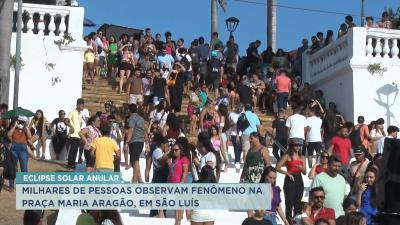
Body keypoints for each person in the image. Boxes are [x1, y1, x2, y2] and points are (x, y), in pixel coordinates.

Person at [276, 138, 307, 222]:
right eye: (295, 145)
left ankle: (297, 222)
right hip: (290, 178)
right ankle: (288, 222)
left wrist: (301, 168)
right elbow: (277, 167)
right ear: (291, 146)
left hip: (299, 178)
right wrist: (287, 173)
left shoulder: (302, 157)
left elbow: (305, 172)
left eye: (299, 145)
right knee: (289, 203)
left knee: (298, 203)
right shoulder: (287, 156)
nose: (297, 147)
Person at [7, 116, 32, 192]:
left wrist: (26, 127)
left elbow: (30, 137)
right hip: (14, 148)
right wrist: (14, 126)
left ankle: (25, 186)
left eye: (22, 122)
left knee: (24, 168)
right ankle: (11, 187)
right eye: (19, 121)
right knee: (13, 168)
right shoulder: (13, 127)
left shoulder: (25, 128)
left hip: (23, 149)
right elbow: (8, 135)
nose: (20, 123)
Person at [124, 104, 148, 183]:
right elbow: (145, 131)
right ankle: (139, 178)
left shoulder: (132, 118)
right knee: (135, 159)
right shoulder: (141, 118)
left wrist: (127, 142)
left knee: (135, 161)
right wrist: (147, 142)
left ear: (129, 110)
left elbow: (131, 130)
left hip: (134, 141)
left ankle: (134, 180)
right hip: (141, 141)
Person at [167, 142, 190, 225]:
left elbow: (185, 172)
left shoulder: (184, 159)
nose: (174, 152)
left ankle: (178, 222)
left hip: (180, 186)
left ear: (180, 150)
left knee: (179, 207)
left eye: (176, 150)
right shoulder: (173, 159)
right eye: (173, 150)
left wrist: (182, 183)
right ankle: (177, 222)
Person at [229, 102, 243, 168]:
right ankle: (237, 160)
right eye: (238, 108)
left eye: (241, 108)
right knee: (236, 147)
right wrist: (233, 124)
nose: (239, 110)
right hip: (233, 133)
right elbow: (228, 124)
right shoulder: (231, 114)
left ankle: (238, 159)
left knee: (240, 147)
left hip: (242, 134)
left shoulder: (243, 114)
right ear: (236, 107)